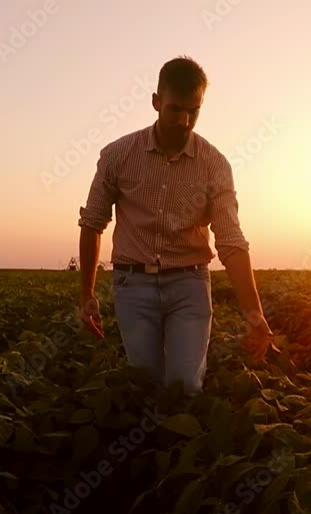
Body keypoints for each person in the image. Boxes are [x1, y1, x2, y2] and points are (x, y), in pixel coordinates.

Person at [77, 56, 272, 396]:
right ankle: (148, 447)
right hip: (132, 283)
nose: (184, 121)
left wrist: (254, 313)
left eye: (193, 111)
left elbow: (231, 241)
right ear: (155, 102)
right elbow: (93, 223)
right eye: (175, 109)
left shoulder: (214, 164)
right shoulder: (117, 155)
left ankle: (180, 441)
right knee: (145, 383)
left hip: (189, 284)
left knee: (185, 385)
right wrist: (86, 295)